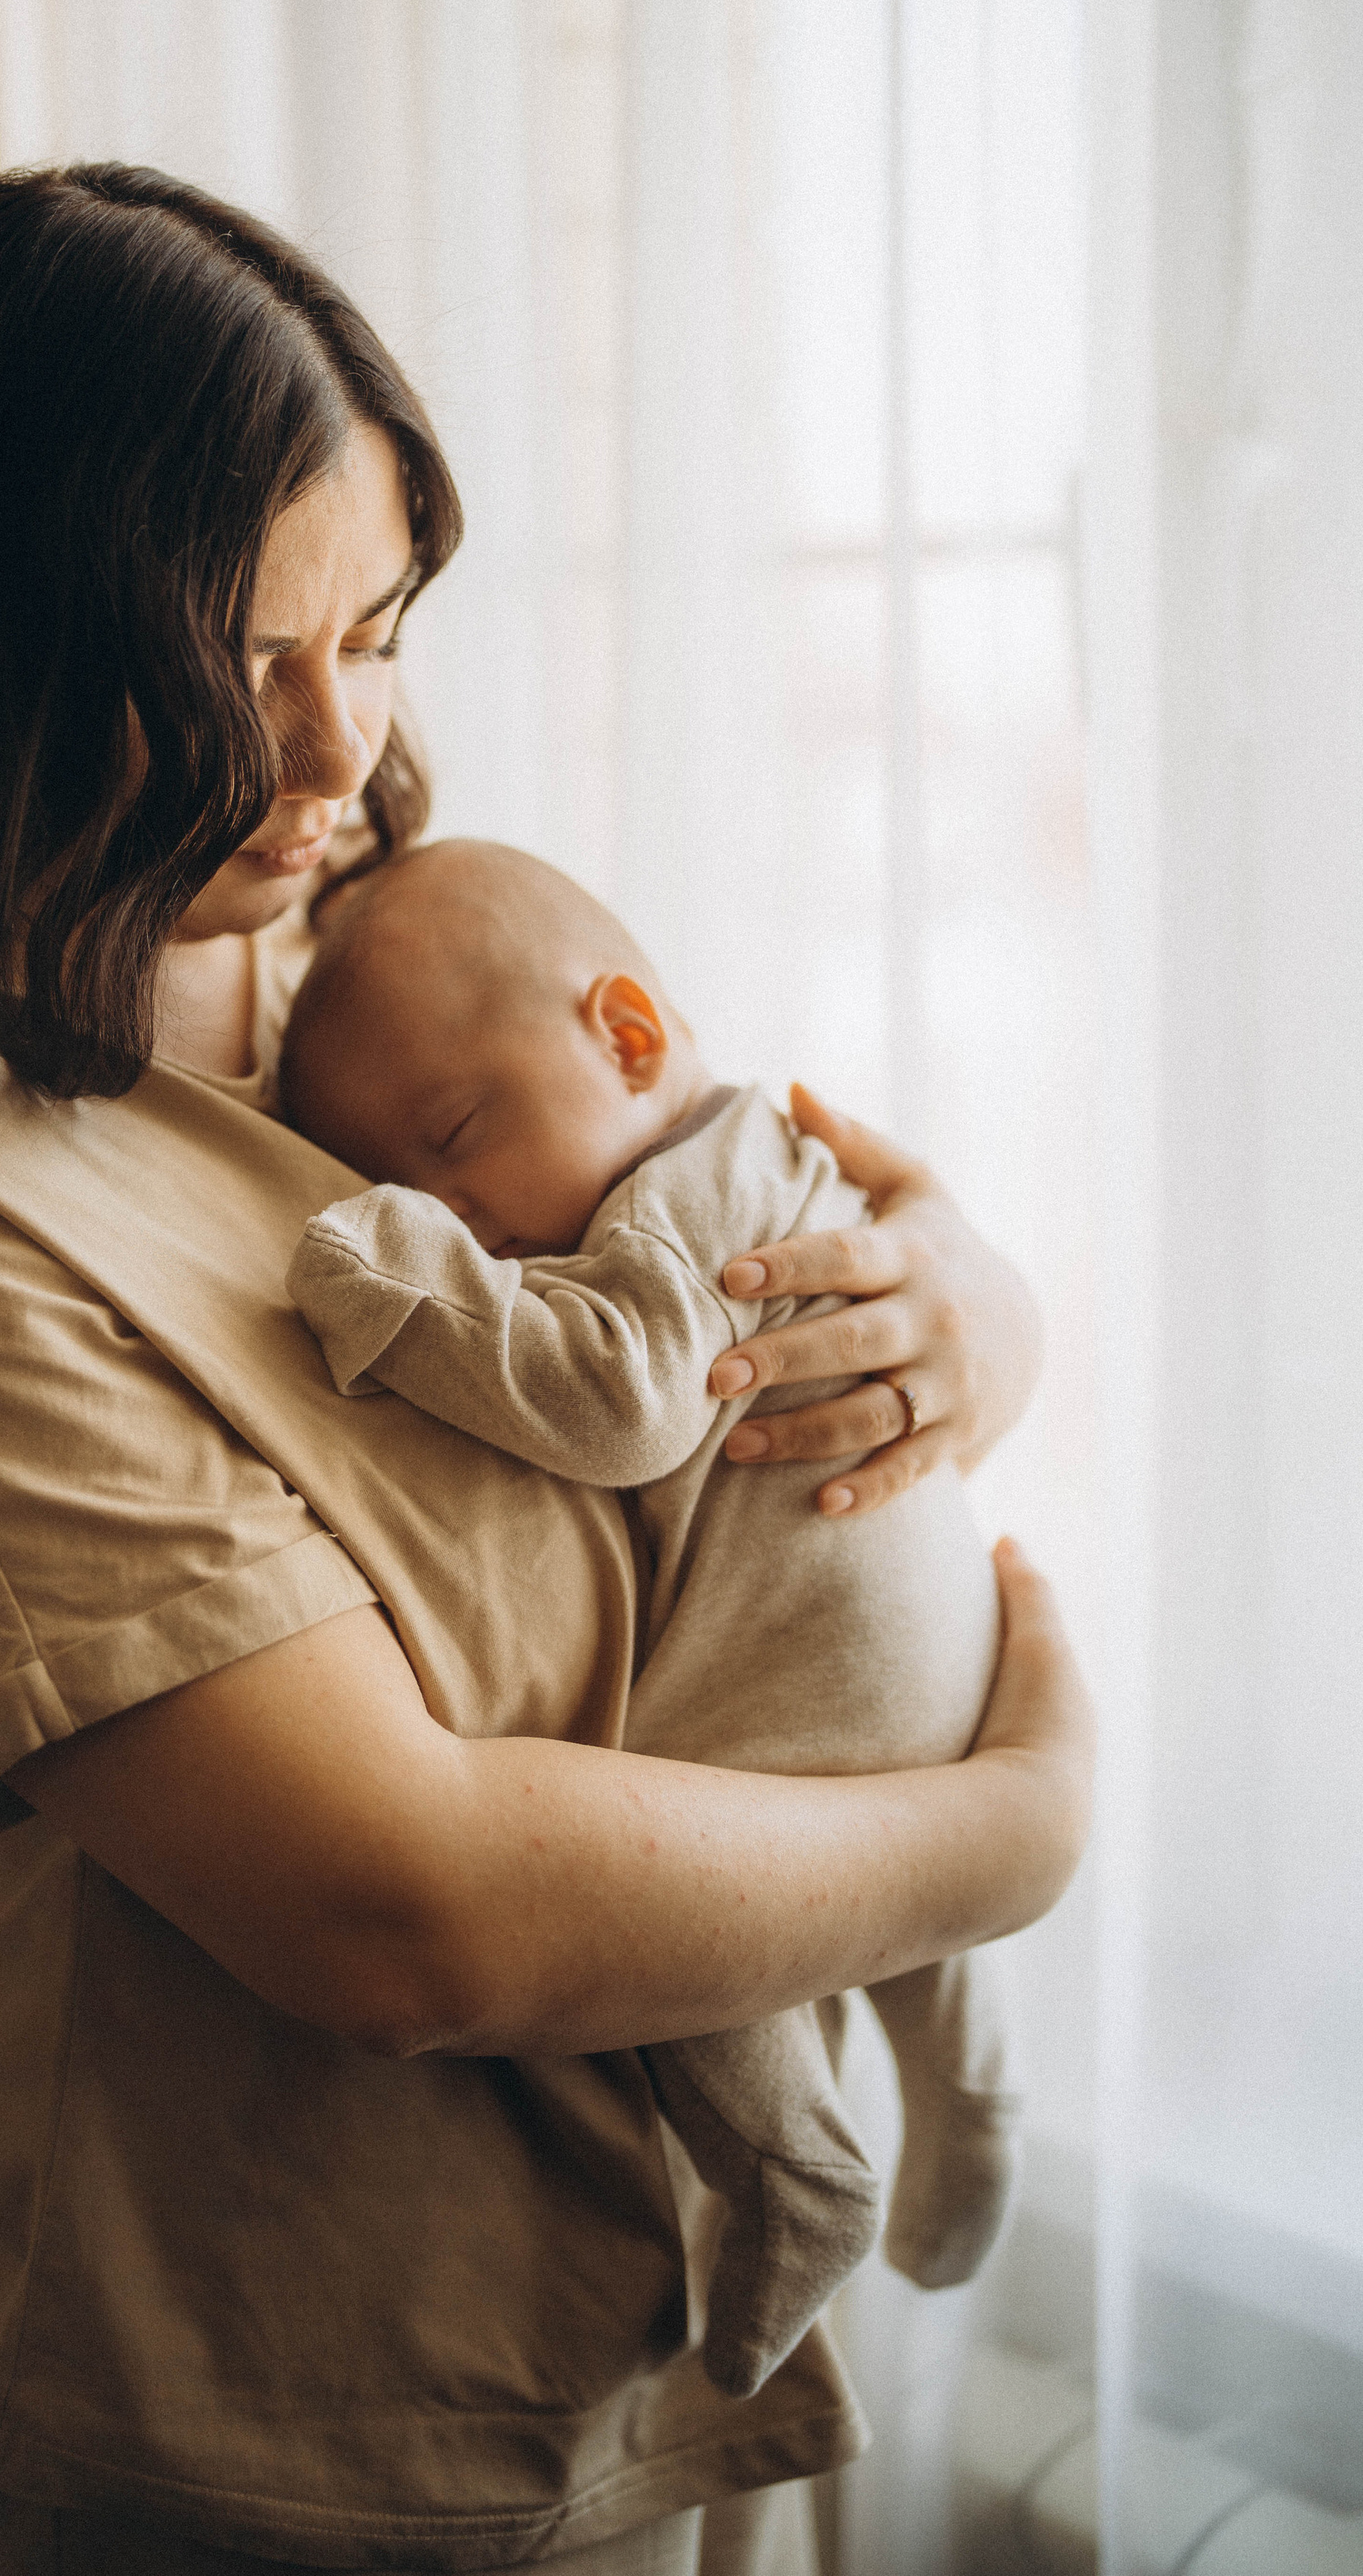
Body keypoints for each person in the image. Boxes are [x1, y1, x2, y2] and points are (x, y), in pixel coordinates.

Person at [0, 164, 1093, 2576]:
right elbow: (400, 1917)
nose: (340, 752)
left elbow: (737, 1214)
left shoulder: (357, 992)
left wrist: (974, 1297)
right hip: (230, 2456)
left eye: (373, 634)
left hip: (627, 2374)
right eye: (234, 664)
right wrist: (1005, 1841)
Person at [281, 837, 1020, 2403]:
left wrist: (395, 1272)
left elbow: (619, 1406)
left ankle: (799, 2176)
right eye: (402, 1192)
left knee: (689, 1945)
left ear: (623, 1035)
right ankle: (974, 2102)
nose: (459, 1215)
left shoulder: (672, 1216)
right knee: (927, 1951)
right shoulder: (760, 1146)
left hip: (787, 1728)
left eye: (453, 1143)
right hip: (933, 1675)